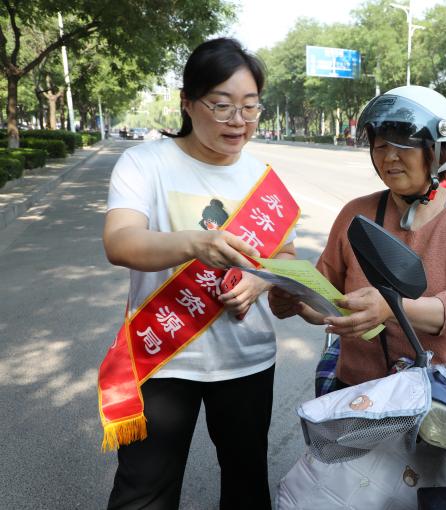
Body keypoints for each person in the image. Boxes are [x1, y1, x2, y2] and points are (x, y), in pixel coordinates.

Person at [101, 38, 296, 509]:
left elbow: (285, 255)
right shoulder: (145, 163)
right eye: (223, 106)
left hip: (247, 359)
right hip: (165, 355)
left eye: (250, 108)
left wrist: (261, 279)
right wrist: (196, 243)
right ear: (187, 103)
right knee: (143, 491)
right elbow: (120, 241)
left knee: (247, 484)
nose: (239, 122)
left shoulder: (262, 176)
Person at [269, 85, 446, 386]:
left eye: (403, 144)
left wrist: (391, 308)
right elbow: (327, 299)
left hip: (436, 399)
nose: (389, 157)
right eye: (380, 145)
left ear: (440, 151)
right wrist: (296, 300)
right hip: (357, 391)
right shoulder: (356, 213)